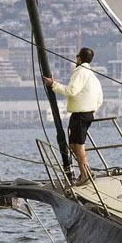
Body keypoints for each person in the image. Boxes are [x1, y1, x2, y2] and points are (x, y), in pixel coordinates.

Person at [43, 47, 104, 186]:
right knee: (73, 144)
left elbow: (71, 91)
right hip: (87, 114)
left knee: (78, 145)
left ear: (79, 58)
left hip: (80, 114)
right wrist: (93, 110)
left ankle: (85, 174)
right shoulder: (92, 75)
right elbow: (100, 97)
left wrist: (53, 84)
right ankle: (86, 171)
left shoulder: (80, 72)